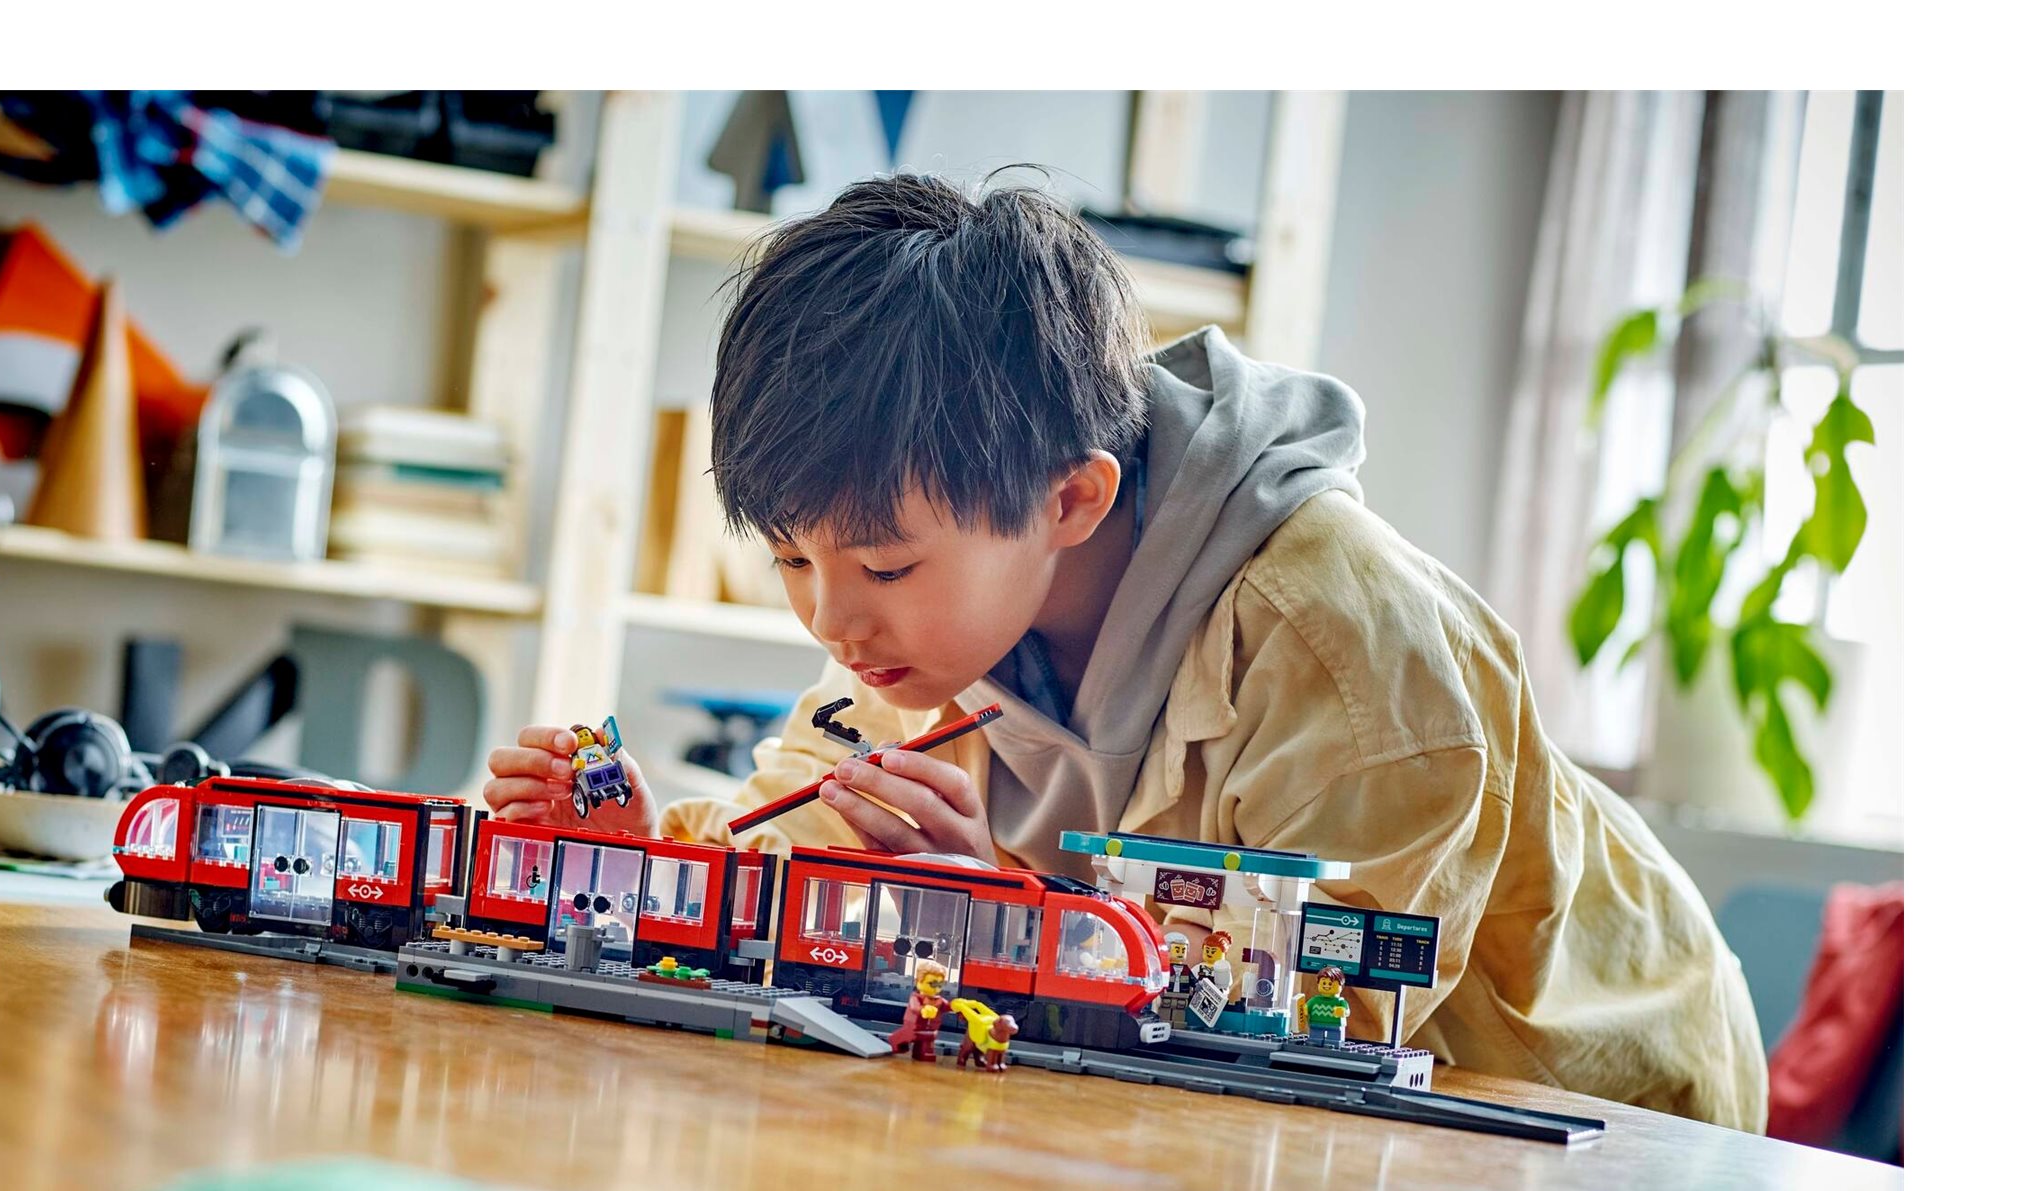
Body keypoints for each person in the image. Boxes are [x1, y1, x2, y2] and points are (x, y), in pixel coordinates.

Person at [481, 173, 1765, 1128]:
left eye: (877, 567)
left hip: (1594, 1108)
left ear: (1073, 500)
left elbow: (1318, 1029)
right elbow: (805, 844)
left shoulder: (1344, 644)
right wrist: (651, 855)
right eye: (790, 560)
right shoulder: (930, 620)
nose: (831, 620)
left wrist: (994, 909)